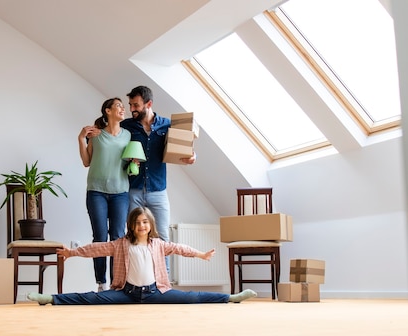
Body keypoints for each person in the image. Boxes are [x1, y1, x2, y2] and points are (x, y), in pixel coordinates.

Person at [27, 207, 256, 305]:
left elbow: (179, 248)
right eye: (137, 223)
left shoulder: (158, 244)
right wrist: (72, 253)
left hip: (156, 293)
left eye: (145, 222)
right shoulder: (121, 244)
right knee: (92, 298)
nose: (141, 225)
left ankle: (230, 298)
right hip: (126, 294)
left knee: (192, 297)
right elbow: (96, 248)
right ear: (131, 226)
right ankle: (51, 299)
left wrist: (200, 254)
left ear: (150, 224)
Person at [120, 86, 197, 278]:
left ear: (149, 104)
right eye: (130, 105)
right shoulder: (127, 126)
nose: (132, 109)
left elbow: (185, 144)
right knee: (133, 237)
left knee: (162, 238)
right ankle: (135, 280)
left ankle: (164, 282)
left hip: (158, 190)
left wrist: (192, 155)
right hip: (133, 190)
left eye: (136, 105)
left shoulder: (168, 125)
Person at [78, 98, 131, 292]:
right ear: (107, 111)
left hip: (120, 192)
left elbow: (130, 163)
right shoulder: (96, 135)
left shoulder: (128, 135)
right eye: (118, 106)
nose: (122, 108)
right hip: (96, 191)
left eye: (123, 106)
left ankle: (116, 284)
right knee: (100, 237)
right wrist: (80, 139)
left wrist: (134, 162)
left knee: (118, 237)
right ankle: (101, 283)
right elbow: (86, 161)